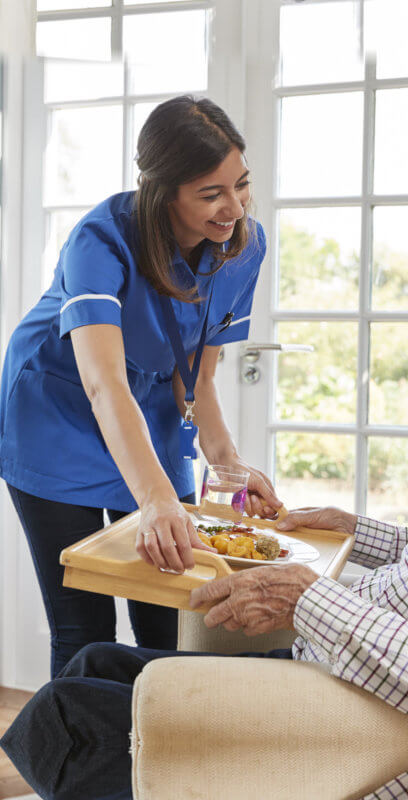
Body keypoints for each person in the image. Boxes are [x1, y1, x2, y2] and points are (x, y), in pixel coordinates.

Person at [2, 266, 408, 800]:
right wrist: (354, 530)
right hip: (331, 668)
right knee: (93, 662)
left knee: (64, 715)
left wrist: (307, 598)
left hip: (339, 702)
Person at [0, 95, 281, 678]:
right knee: (83, 624)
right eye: (211, 194)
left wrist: (228, 464)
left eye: (242, 184)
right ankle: (79, 767)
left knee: (167, 606)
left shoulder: (242, 246)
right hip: (58, 409)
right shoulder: (100, 240)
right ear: (163, 191)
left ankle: (150, 760)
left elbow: (198, 374)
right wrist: (154, 498)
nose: (233, 207)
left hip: (150, 404)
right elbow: (102, 385)